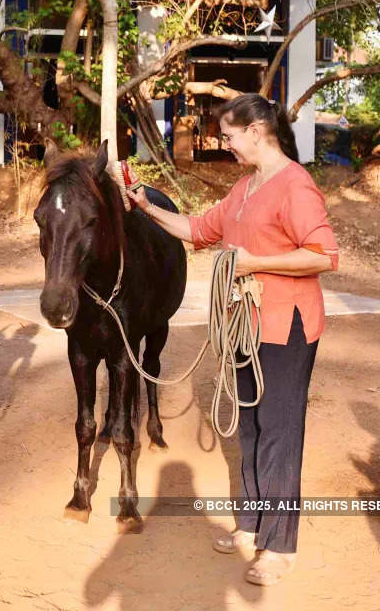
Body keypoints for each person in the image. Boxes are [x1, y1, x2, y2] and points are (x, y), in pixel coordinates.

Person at [126, 93, 339, 586]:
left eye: (229, 135)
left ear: (258, 132)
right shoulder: (246, 188)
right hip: (246, 322)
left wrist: (252, 263)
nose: (225, 144)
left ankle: (278, 547)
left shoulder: (296, 187)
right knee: (251, 430)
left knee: (279, 434)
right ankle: (251, 522)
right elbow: (198, 228)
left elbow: (324, 255)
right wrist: (146, 207)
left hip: (287, 327)